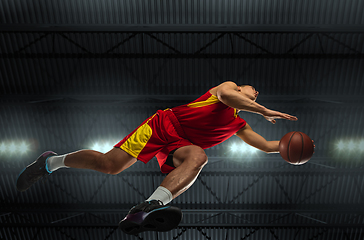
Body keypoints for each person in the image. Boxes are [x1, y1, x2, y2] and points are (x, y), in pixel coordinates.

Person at [16, 81, 298, 234]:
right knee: (109, 166)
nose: (255, 91)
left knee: (199, 157)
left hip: (182, 144)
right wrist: (263, 109)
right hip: (163, 126)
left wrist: (295, 151)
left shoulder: (239, 124)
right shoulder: (226, 89)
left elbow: (264, 145)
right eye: (253, 90)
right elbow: (229, 96)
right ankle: (49, 162)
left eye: (257, 94)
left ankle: (151, 205)